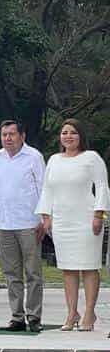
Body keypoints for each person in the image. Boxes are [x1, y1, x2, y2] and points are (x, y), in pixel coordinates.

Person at [36, 119, 110, 332]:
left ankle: (89, 312)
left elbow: (103, 186)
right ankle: (72, 312)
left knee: (88, 266)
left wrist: (99, 215)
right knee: (68, 268)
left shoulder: (92, 158)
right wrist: (46, 216)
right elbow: (47, 189)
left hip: (87, 220)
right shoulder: (54, 160)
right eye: (64, 132)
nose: (68, 136)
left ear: (81, 136)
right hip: (61, 221)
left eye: (73, 133)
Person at [0, 120, 46, 333]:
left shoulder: (34, 157)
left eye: (12, 134)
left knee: (33, 273)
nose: (8, 138)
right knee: (11, 273)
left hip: (29, 223)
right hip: (4, 223)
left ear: (22, 135)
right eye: (4, 134)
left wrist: (43, 218)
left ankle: (34, 316)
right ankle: (17, 317)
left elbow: (43, 189)